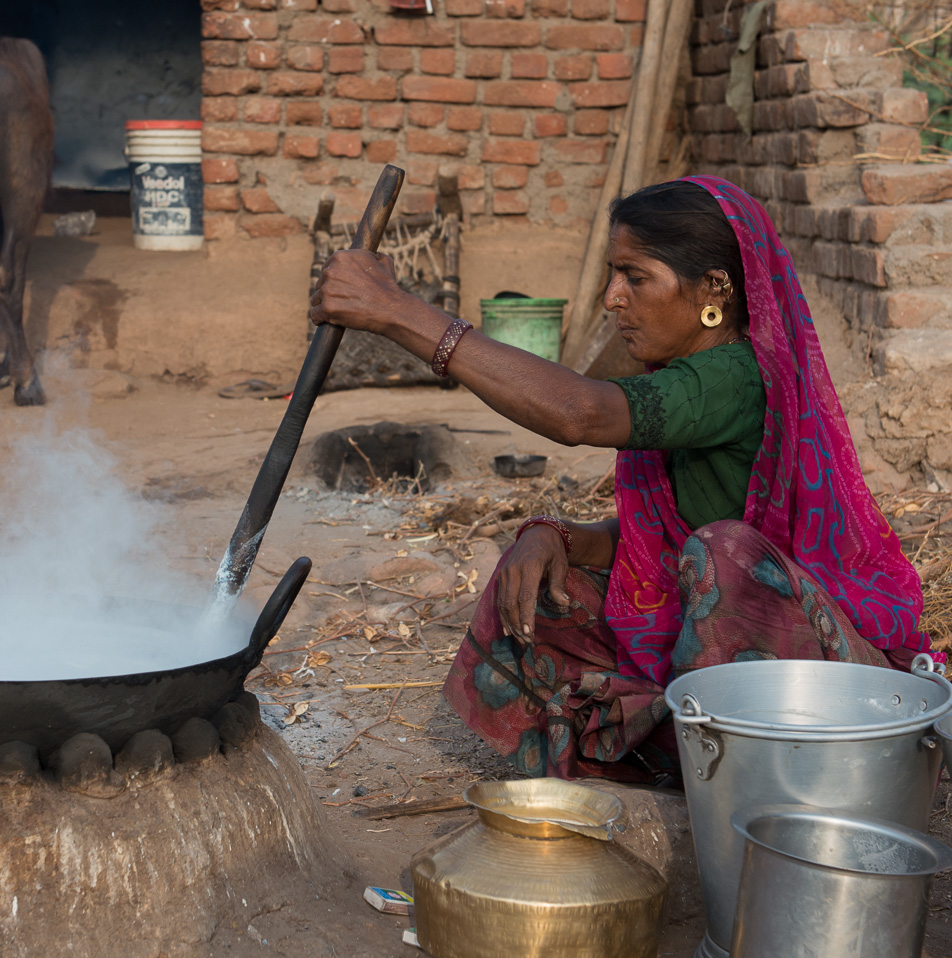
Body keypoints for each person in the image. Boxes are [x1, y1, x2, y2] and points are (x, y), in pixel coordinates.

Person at [309, 177, 936, 782]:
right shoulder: (677, 376)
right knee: (539, 581)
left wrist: (398, 314)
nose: (613, 297)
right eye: (615, 275)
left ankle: (715, 758)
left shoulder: (739, 376)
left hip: (818, 683)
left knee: (726, 553)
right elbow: (662, 537)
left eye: (635, 277)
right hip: (725, 654)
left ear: (714, 288)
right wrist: (556, 535)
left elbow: (581, 413)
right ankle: (666, 742)